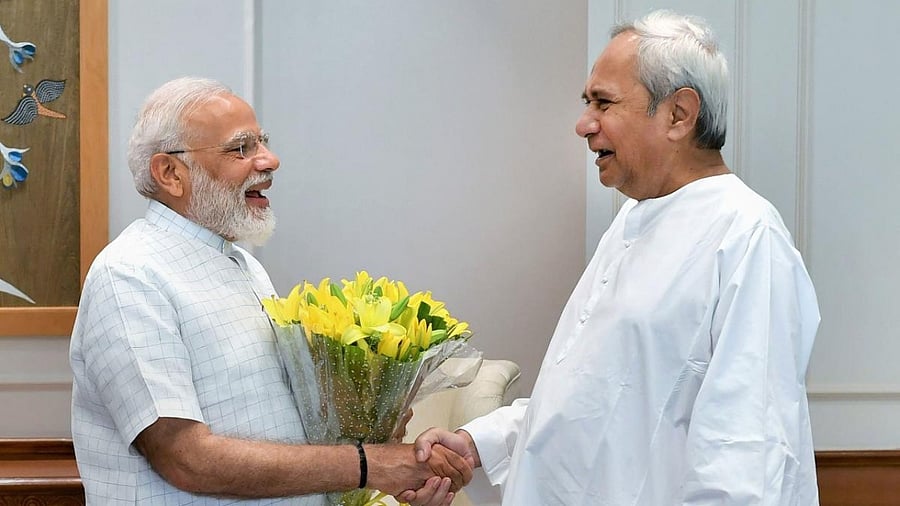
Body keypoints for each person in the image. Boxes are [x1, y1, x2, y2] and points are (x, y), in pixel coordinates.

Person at [405, 9, 820, 505]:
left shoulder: (748, 237)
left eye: (603, 102)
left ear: (679, 115)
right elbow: (593, 399)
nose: (583, 124)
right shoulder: (632, 221)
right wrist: (477, 442)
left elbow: (748, 457)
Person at [69, 77, 472, 505]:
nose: (270, 160)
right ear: (170, 173)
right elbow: (185, 457)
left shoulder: (244, 265)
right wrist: (370, 463)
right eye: (241, 148)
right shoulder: (130, 274)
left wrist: (386, 442)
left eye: (263, 142)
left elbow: (282, 424)